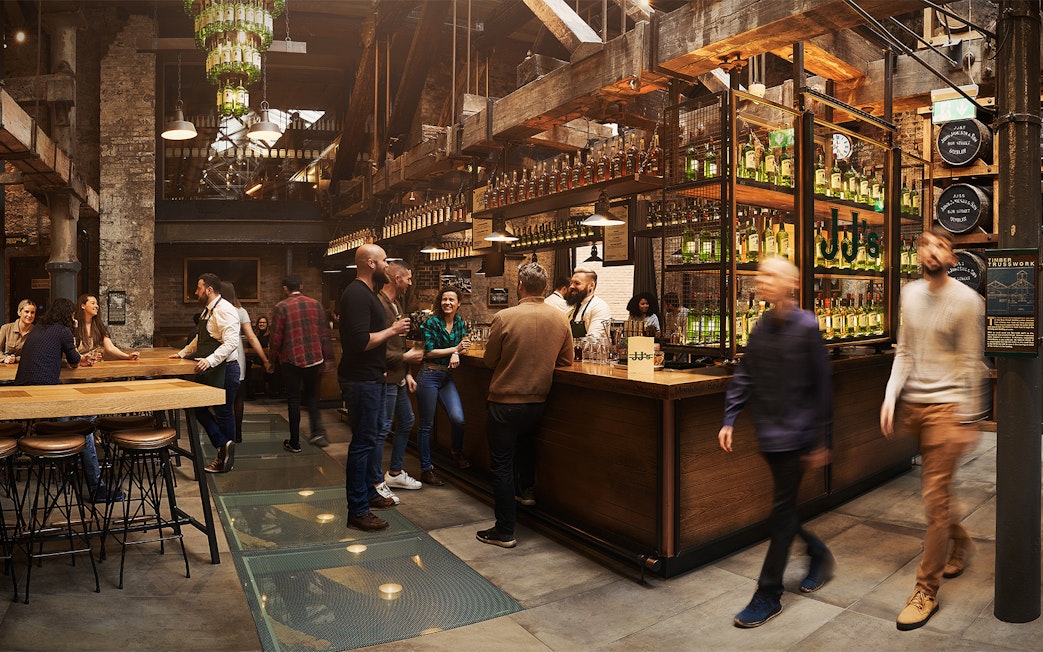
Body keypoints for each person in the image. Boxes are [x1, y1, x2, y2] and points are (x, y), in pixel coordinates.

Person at [717, 257, 835, 628]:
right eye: (761, 274)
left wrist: (821, 440)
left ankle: (768, 593)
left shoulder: (807, 326)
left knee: (781, 513)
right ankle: (818, 554)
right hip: (768, 433)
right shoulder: (762, 325)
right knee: (783, 512)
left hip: (797, 436)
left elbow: (822, 387)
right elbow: (745, 374)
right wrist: (730, 418)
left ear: (791, 283)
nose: (761, 280)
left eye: (771, 275)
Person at [879, 228, 985, 632]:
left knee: (933, 499)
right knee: (935, 494)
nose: (931, 250)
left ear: (952, 257)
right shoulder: (908, 294)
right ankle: (958, 539)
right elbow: (904, 350)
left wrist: (967, 417)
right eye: (924, 244)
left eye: (940, 245)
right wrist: (890, 397)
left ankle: (927, 589)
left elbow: (970, 361)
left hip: (947, 408)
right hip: (915, 406)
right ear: (918, 253)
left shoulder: (966, 300)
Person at [476, 262, 573, 548]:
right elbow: (566, 360)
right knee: (527, 447)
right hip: (538, 402)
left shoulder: (505, 317)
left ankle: (505, 530)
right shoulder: (560, 319)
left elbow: (489, 360)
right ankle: (527, 493)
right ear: (544, 287)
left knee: (502, 465)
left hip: (505, 402)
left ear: (520, 285)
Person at [15, 298, 122, 502]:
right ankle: (96, 487)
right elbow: (73, 361)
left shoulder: (39, 328)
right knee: (85, 425)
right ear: (69, 315)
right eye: (73, 315)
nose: (75, 318)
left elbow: (56, 355)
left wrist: (78, 357)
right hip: (45, 397)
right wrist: (73, 333)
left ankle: (71, 466)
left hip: (25, 394)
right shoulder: (64, 331)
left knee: (81, 418)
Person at [340, 244, 411, 532]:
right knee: (362, 443)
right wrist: (393, 330)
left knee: (370, 440)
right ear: (370, 263)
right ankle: (357, 510)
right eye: (383, 261)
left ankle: (369, 493)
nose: (387, 265)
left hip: (371, 376)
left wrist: (380, 364)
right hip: (361, 381)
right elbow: (359, 341)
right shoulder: (357, 294)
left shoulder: (367, 293)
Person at [172, 273, 240, 473]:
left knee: (224, 413)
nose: (196, 292)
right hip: (212, 369)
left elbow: (231, 343)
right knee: (196, 407)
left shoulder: (225, 310)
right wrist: (182, 353)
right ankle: (223, 445)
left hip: (225, 369)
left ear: (209, 290)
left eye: (198, 288)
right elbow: (201, 338)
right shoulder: (207, 311)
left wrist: (210, 360)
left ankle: (225, 460)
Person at [375, 260, 425, 503]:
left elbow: (394, 343)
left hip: (398, 376)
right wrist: (405, 358)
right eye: (408, 278)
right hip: (385, 378)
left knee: (406, 421)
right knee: (383, 428)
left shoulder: (394, 304)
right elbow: (375, 348)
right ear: (397, 279)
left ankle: (394, 472)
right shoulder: (380, 306)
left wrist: (406, 372)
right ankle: (376, 482)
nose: (410, 283)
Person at [269, 274, 330, 453]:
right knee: (311, 396)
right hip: (314, 358)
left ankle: (295, 442)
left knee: (294, 400)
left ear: (285, 288)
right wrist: (328, 359)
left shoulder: (281, 307)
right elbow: (324, 334)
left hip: (291, 360)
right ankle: (317, 431)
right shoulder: (315, 304)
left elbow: (276, 338)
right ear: (302, 285)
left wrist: (271, 360)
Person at [416, 285, 471, 484]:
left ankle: (456, 451)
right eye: (444, 299)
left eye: (451, 300)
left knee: (458, 419)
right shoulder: (431, 323)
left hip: (446, 378)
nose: (447, 303)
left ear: (459, 304)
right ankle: (426, 468)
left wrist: (457, 351)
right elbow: (428, 352)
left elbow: (465, 342)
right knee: (426, 425)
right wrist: (454, 349)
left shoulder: (459, 321)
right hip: (429, 375)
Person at [219, 281, 272, 443]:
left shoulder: (217, 310)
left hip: (220, 354)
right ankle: (238, 434)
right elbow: (251, 337)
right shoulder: (240, 311)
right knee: (238, 398)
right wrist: (265, 360)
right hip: (237, 354)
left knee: (223, 398)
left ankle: (225, 434)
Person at [73, 294, 139, 362]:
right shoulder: (74, 325)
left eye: (97, 304)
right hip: (77, 364)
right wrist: (84, 358)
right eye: (93, 303)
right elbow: (71, 350)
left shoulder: (98, 326)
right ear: (83, 306)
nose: (96, 306)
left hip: (93, 364)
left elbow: (110, 348)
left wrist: (127, 356)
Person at [565, 267, 613, 339]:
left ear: (591, 285)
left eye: (577, 283)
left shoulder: (600, 307)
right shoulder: (572, 307)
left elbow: (594, 339)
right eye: (571, 283)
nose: (571, 286)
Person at [1, 299, 37, 364]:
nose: (29, 315)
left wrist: (16, 359)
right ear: (19, 312)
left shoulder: (37, 331)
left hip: (27, 368)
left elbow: (35, 355)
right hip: (5, 368)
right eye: (26, 311)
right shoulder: (5, 328)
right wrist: (5, 358)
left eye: (32, 312)